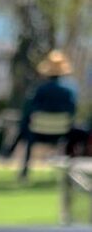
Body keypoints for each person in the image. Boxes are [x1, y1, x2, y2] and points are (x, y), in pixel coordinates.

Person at [9, 50, 77, 179]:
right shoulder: (70, 90)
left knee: (24, 127)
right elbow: (72, 112)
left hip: (38, 133)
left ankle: (15, 159)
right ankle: (71, 175)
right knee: (79, 133)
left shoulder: (40, 89)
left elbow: (30, 110)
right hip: (63, 133)